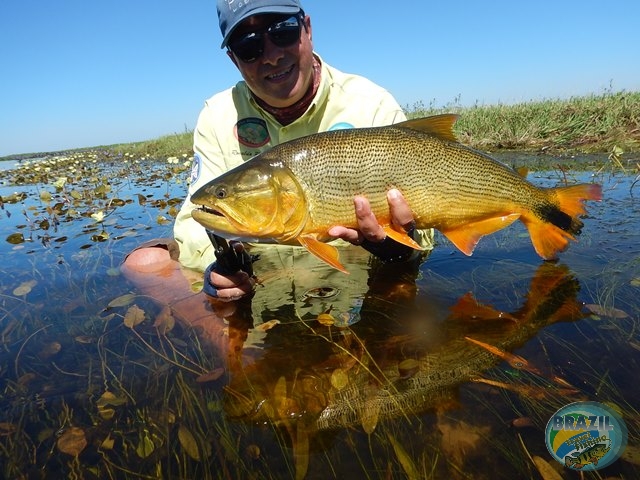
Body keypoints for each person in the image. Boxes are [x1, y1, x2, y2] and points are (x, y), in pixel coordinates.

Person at [122, 0, 434, 346]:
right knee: (144, 261)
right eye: (248, 45)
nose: (270, 55)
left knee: (402, 299)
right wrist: (221, 268)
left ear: (308, 29)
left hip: (355, 271)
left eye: (282, 31)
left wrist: (397, 247)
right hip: (260, 269)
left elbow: (427, 230)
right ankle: (238, 354)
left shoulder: (370, 104)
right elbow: (196, 221)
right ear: (233, 59)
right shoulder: (218, 115)